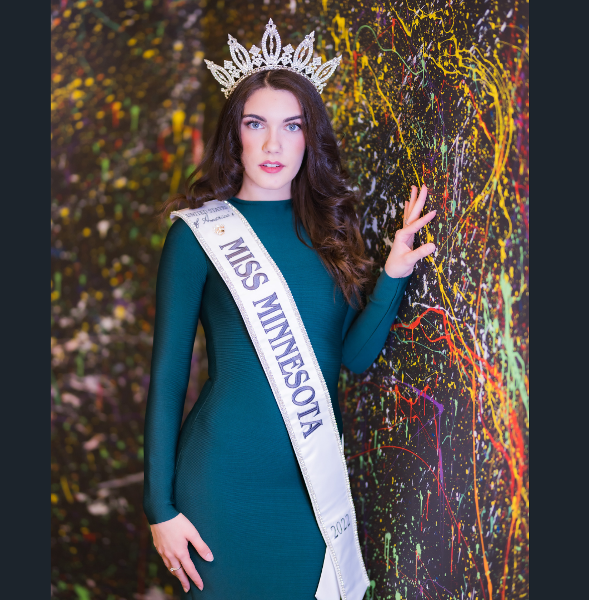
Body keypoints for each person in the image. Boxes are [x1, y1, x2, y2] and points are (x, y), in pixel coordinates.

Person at [143, 21, 436, 600]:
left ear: (309, 138)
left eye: (291, 125)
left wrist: (394, 273)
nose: (273, 145)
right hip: (218, 487)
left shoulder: (330, 235)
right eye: (256, 124)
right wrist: (160, 508)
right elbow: (168, 377)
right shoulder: (197, 235)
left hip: (311, 493)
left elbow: (352, 358)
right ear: (235, 135)